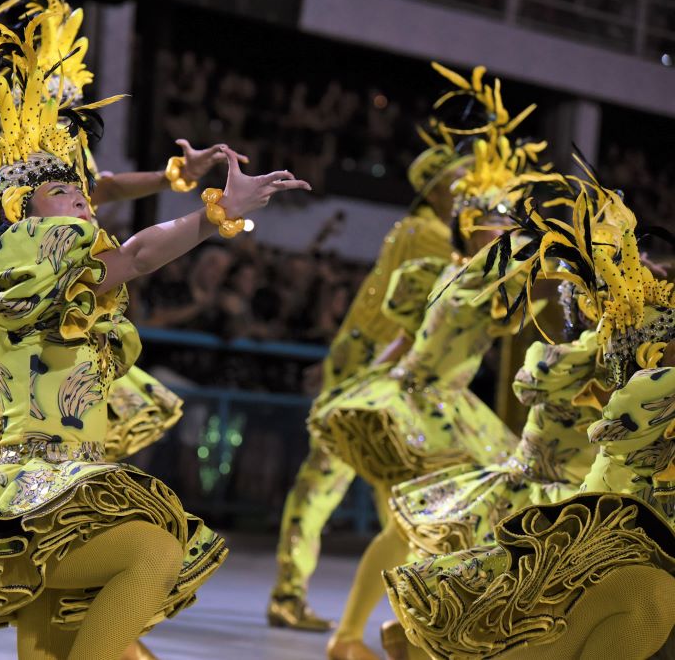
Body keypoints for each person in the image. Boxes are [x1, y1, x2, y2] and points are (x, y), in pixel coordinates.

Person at [0, 10, 310, 660]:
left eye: (78, 190)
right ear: (19, 207)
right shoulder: (33, 258)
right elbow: (134, 256)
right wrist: (213, 214)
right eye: (59, 189)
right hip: (39, 499)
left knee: (56, 648)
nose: (79, 196)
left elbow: (115, 233)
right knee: (153, 550)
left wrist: (176, 186)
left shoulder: (56, 254)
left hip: (65, 487)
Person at [385, 171, 675, 660]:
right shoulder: (566, 360)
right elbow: (536, 386)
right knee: (496, 615)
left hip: (606, 508)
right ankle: (406, 640)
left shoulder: (633, 375)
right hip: (570, 508)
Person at [316, 64, 547, 660]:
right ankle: (355, 637)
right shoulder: (471, 281)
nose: (503, 241)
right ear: (469, 230)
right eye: (494, 230)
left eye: (505, 233)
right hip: (420, 410)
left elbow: (406, 335)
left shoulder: (451, 274)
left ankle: (405, 632)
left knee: (438, 528)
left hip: (427, 402)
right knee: (413, 528)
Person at [268, 127, 466, 632]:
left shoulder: (408, 228)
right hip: (380, 373)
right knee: (393, 485)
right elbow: (417, 314)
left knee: (332, 482)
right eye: (462, 180)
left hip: (362, 363)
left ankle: (293, 593)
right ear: (440, 188)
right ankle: (415, 608)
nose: (470, 189)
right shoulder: (433, 237)